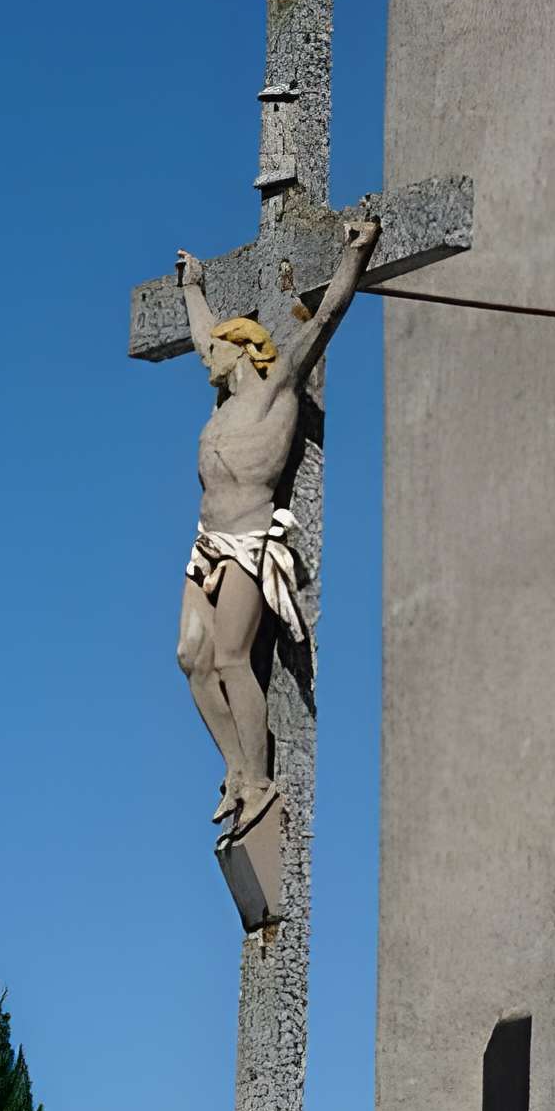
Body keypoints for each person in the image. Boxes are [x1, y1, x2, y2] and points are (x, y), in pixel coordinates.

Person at [174, 211, 382, 838]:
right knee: (191, 658)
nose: (206, 352)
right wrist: (193, 288)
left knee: (234, 658)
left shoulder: (275, 390)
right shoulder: (223, 407)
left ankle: (259, 781)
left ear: (242, 349)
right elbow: (203, 332)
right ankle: (235, 770)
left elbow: (324, 321)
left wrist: (355, 256)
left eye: (217, 347)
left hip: (247, 543)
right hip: (206, 544)